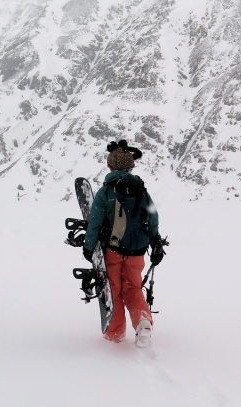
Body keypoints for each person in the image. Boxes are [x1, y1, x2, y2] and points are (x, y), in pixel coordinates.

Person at [82, 140, 166, 347]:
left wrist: (89, 247)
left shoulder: (106, 192)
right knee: (134, 289)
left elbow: (95, 223)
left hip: (113, 251)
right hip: (137, 251)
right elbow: (153, 218)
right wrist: (156, 242)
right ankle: (143, 322)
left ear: (110, 166)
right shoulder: (142, 191)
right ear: (130, 166)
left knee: (113, 291)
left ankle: (115, 335)